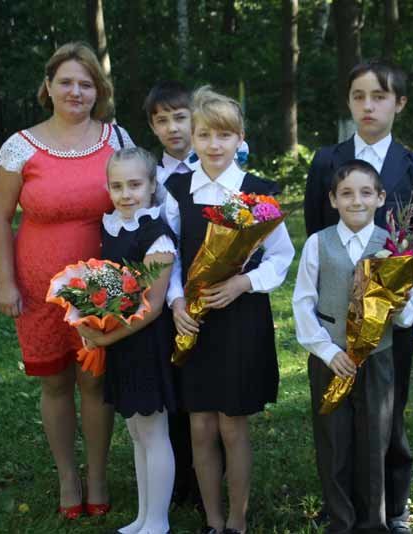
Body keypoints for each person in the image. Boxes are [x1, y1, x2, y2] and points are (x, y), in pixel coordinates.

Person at [0, 41, 133, 519]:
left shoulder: (117, 139)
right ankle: (68, 476)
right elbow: (0, 218)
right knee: (54, 382)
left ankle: (98, 475)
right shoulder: (19, 146)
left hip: (102, 285)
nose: (76, 92)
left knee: (95, 379)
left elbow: (141, 199)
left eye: (86, 84)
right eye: (66, 82)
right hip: (37, 288)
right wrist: (5, 282)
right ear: (48, 86)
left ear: (99, 91)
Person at [302, 60, 413, 534]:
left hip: (390, 319)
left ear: (399, 103)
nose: (368, 106)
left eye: (379, 96)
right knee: (336, 411)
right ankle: (339, 502)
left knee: (388, 409)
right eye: (359, 96)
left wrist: (394, 298)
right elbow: (316, 231)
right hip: (337, 318)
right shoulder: (327, 161)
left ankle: (391, 506)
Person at [164, 86, 295, 534]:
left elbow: (281, 256)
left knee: (232, 425)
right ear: (192, 138)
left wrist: (243, 283)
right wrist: (175, 301)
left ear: (240, 139)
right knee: (200, 425)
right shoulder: (177, 191)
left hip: (240, 321)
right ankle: (213, 520)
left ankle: (237, 520)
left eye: (224, 135)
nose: (214, 145)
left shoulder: (256, 193)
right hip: (194, 320)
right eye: (204, 135)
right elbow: (170, 256)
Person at [294, 160, 413, 533]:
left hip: (377, 359)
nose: (356, 201)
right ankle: (340, 520)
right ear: (333, 199)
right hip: (331, 359)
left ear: (380, 198)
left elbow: (406, 317)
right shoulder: (318, 244)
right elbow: (303, 302)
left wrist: (400, 304)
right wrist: (328, 352)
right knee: (333, 441)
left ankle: (372, 522)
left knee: (374, 442)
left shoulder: (394, 247)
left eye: (366, 193)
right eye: (346, 193)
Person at [77, 147, 177, 534]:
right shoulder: (112, 227)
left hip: (147, 344)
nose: (125, 194)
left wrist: (106, 339)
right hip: (122, 342)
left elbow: (151, 308)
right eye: (116, 186)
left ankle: (159, 521)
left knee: (153, 431)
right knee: (136, 432)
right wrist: (90, 318)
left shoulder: (157, 236)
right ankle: (143, 516)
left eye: (135, 185)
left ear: (152, 186)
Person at [143, 81, 202, 506]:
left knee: (204, 387)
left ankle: (208, 474)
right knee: (174, 384)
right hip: (166, 298)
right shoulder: (151, 181)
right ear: (152, 127)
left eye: (180, 117)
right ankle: (179, 476)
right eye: (162, 120)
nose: (173, 128)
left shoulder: (214, 170)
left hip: (210, 297)